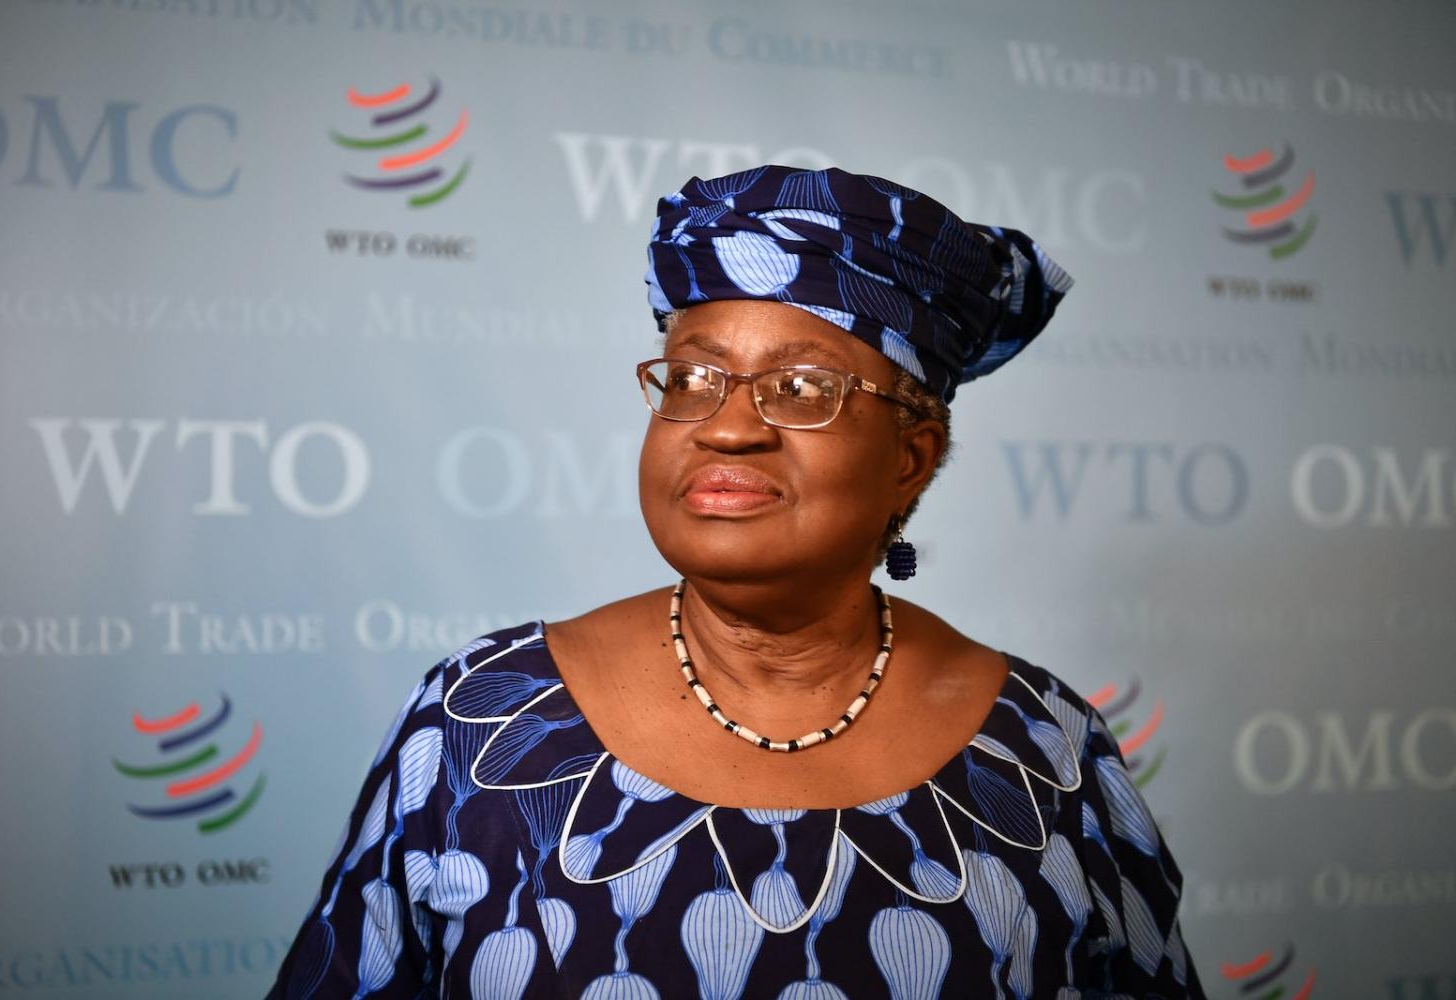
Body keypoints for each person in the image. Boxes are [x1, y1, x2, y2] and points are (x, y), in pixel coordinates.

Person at [269, 165, 1203, 998]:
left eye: (802, 388)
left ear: (911, 458)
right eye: (691, 379)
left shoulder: (1047, 750)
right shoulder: (483, 721)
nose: (726, 427)